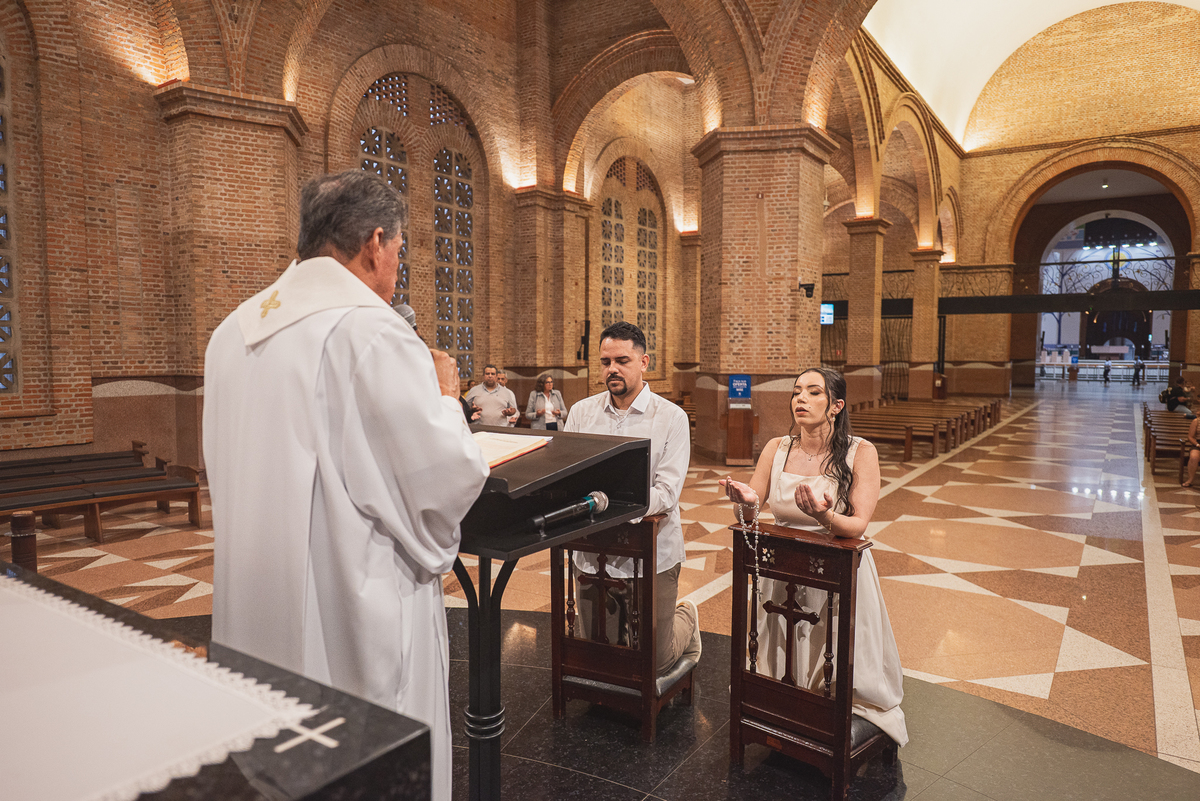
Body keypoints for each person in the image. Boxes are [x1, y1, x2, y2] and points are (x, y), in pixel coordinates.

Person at [203, 169, 489, 801]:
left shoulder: (231, 333)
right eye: (400, 252)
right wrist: (446, 397)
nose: (397, 270)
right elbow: (441, 480)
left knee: (275, 757)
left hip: (252, 604)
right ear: (375, 242)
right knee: (368, 764)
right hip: (352, 609)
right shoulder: (371, 332)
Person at [718, 367, 908, 747]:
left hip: (836, 571)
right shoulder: (776, 449)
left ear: (836, 405)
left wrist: (824, 517)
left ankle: (832, 716)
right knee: (782, 652)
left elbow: (857, 525)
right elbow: (753, 509)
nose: (800, 399)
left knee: (833, 656)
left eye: (813, 392)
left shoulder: (860, 453)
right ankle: (784, 708)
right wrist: (746, 501)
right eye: (796, 392)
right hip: (783, 569)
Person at [564, 321, 701, 675]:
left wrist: (614, 506)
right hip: (593, 551)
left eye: (622, 360)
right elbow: (567, 479)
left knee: (655, 662)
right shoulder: (581, 413)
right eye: (605, 362)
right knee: (601, 658)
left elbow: (667, 492)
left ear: (644, 362)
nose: (612, 369)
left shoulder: (671, 417)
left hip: (653, 550)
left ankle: (686, 617)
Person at [1183, 416, 1200, 488]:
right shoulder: (1196, 421)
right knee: (1194, 457)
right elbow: (1190, 437)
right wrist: (1197, 444)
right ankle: (1190, 480)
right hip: (1198, 444)